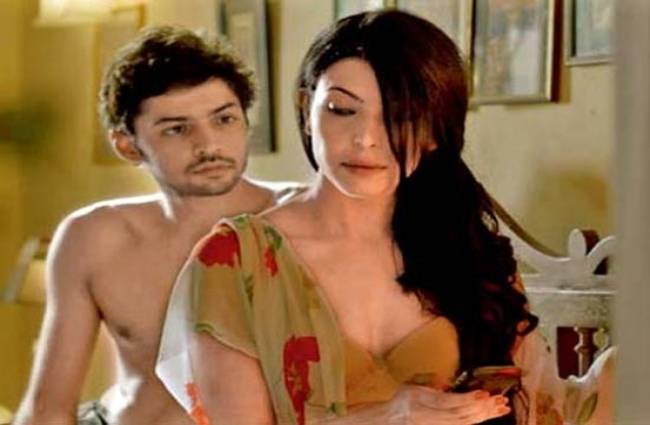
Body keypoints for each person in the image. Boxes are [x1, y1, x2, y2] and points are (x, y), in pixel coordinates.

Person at [158, 10, 613, 425]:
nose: (365, 139)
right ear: (306, 110)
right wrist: (390, 416)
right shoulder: (235, 263)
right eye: (343, 110)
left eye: (401, 116)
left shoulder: (469, 252)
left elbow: (545, 407)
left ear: (434, 131)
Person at [14, 26, 299, 425]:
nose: (209, 145)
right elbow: (49, 409)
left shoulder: (304, 219)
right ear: (127, 145)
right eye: (177, 129)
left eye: (224, 119)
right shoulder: (95, 237)